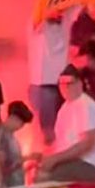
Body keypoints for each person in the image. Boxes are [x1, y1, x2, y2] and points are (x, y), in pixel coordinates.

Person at [39, 65, 95, 184]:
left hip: (89, 163)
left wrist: (56, 159)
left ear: (79, 84)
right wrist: (45, 156)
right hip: (73, 160)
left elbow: (87, 144)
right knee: (39, 171)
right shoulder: (64, 108)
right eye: (61, 84)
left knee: (46, 178)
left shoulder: (86, 105)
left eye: (69, 83)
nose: (65, 88)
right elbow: (61, 143)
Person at [26, 9, 70, 146]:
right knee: (47, 132)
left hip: (62, 85)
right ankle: (44, 159)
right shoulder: (38, 26)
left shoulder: (65, 24)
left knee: (63, 128)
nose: (58, 12)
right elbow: (35, 22)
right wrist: (44, 14)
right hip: (42, 86)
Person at [0, 101, 32, 188]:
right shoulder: (2, 136)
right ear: (13, 118)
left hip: (16, 185)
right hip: (9, 187)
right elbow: (0, 165)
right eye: (21, 123)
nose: (21, 127)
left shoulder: (11, 136)